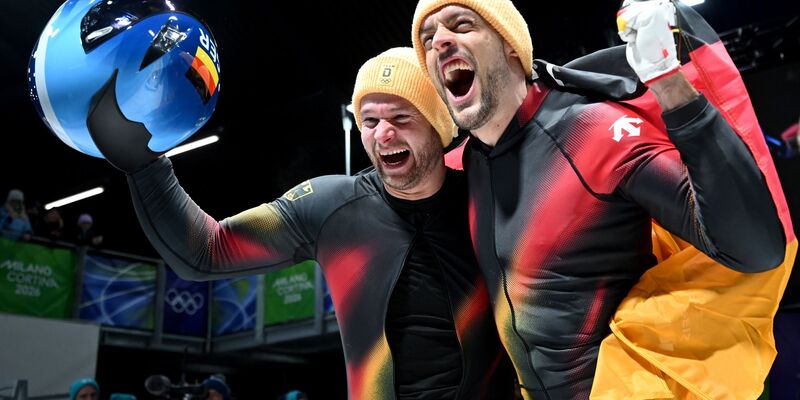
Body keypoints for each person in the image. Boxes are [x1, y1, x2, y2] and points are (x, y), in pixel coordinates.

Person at [411, 0, 794, 398]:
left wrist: (669, 84)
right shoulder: (458, 170)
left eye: (461, 24)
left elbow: (755, 250)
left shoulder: (592, 131)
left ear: (510, 46)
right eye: (427, 38)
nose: (439, 40)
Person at [87, 48, 514, 399]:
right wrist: (144, 166)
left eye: (401, 118)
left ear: (439, 125)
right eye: (369, 121)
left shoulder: (487, 190)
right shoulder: (332, 206)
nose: (383, 133)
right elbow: (206, 250)